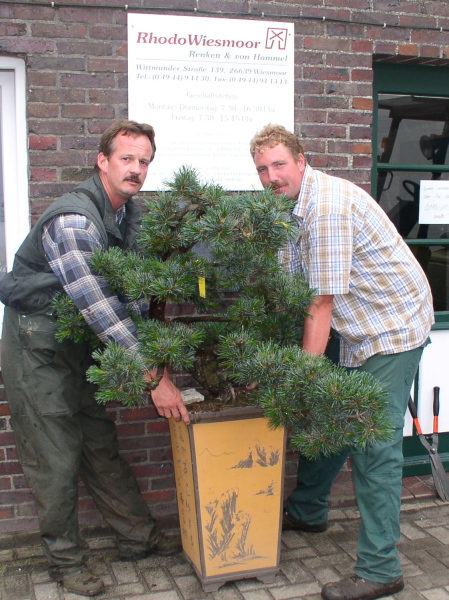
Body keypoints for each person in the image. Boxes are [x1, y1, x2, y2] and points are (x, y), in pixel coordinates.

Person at [0, 121, 189, 597]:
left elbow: (134, 296)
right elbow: (99, 305)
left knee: (99, 442)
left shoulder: (129, 218)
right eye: (127, 158)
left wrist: (158, 357)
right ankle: (65, 562)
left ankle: (138, 537)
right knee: (55, 454)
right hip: (36, 344)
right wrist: (153, 378)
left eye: (144, 161)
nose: (136, 169)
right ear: (102, 161)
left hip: (78, 341)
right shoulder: (74, 222)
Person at [250, 124, 434, 600]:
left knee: (373, 443)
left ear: (301, 161)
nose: (271, 177)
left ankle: (381, 569)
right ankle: (308, 511)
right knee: (332, 413)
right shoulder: (286, 209)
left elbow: (320, 303)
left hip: (391, 326)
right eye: (262, 169)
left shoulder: (327, 207)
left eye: (279, 164)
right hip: (352, 326)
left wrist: (298, 378)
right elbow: (293, 294)